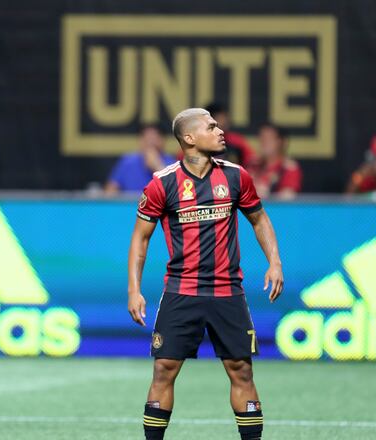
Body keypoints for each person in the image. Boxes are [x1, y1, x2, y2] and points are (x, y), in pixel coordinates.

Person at [128, 108, 284, 440]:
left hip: (228, 291)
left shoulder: (236, 176)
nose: (220, 131)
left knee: (241, 372)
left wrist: (275, 262)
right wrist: (134, 289)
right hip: (181, 291)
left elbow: (259, 219)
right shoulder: (162, 184)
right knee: (163, 371)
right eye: (211, 127)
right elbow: (140, 238)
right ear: (189, 138)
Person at [105, 125, 175, 194]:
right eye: (147, 139)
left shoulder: (172, 164)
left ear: (163, 140)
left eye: (154, 139)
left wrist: (157, 167)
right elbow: (110, 190)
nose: (150, 143)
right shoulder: (127, 162)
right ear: (140, 141)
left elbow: (176, 193)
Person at [254, 124, 302, 199]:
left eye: (268, 139)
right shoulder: (253, 164)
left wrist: (265, 194)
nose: (263, 142)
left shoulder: (289, 168)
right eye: (262, 138)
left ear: (280, 142)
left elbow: (288, 197)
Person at [205, 102, 256, 169]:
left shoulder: (236, 141)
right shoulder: (199, 142)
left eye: (226, 117)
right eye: (221, 118)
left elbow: (252, 161)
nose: (225, 121)